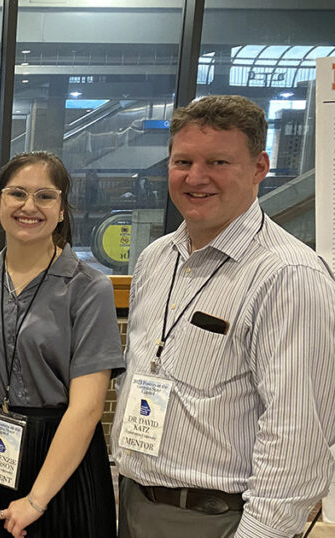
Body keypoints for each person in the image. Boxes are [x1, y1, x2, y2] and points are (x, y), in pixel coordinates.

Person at [112, 95, 335, 538]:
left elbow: (297, 435)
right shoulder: (158, 258)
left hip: (221, 519)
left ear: (259, 167)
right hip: (137, 503)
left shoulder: (287, 275)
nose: (196, 178)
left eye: (218, 161)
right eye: (183, 161)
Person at [0, 151, 124, 538]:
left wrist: (37, 500)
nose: (30, 206)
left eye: (45, 196)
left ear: (61, 210)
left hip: (61, 461)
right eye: (17, 194)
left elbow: (88, 406)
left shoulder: (88, 288)